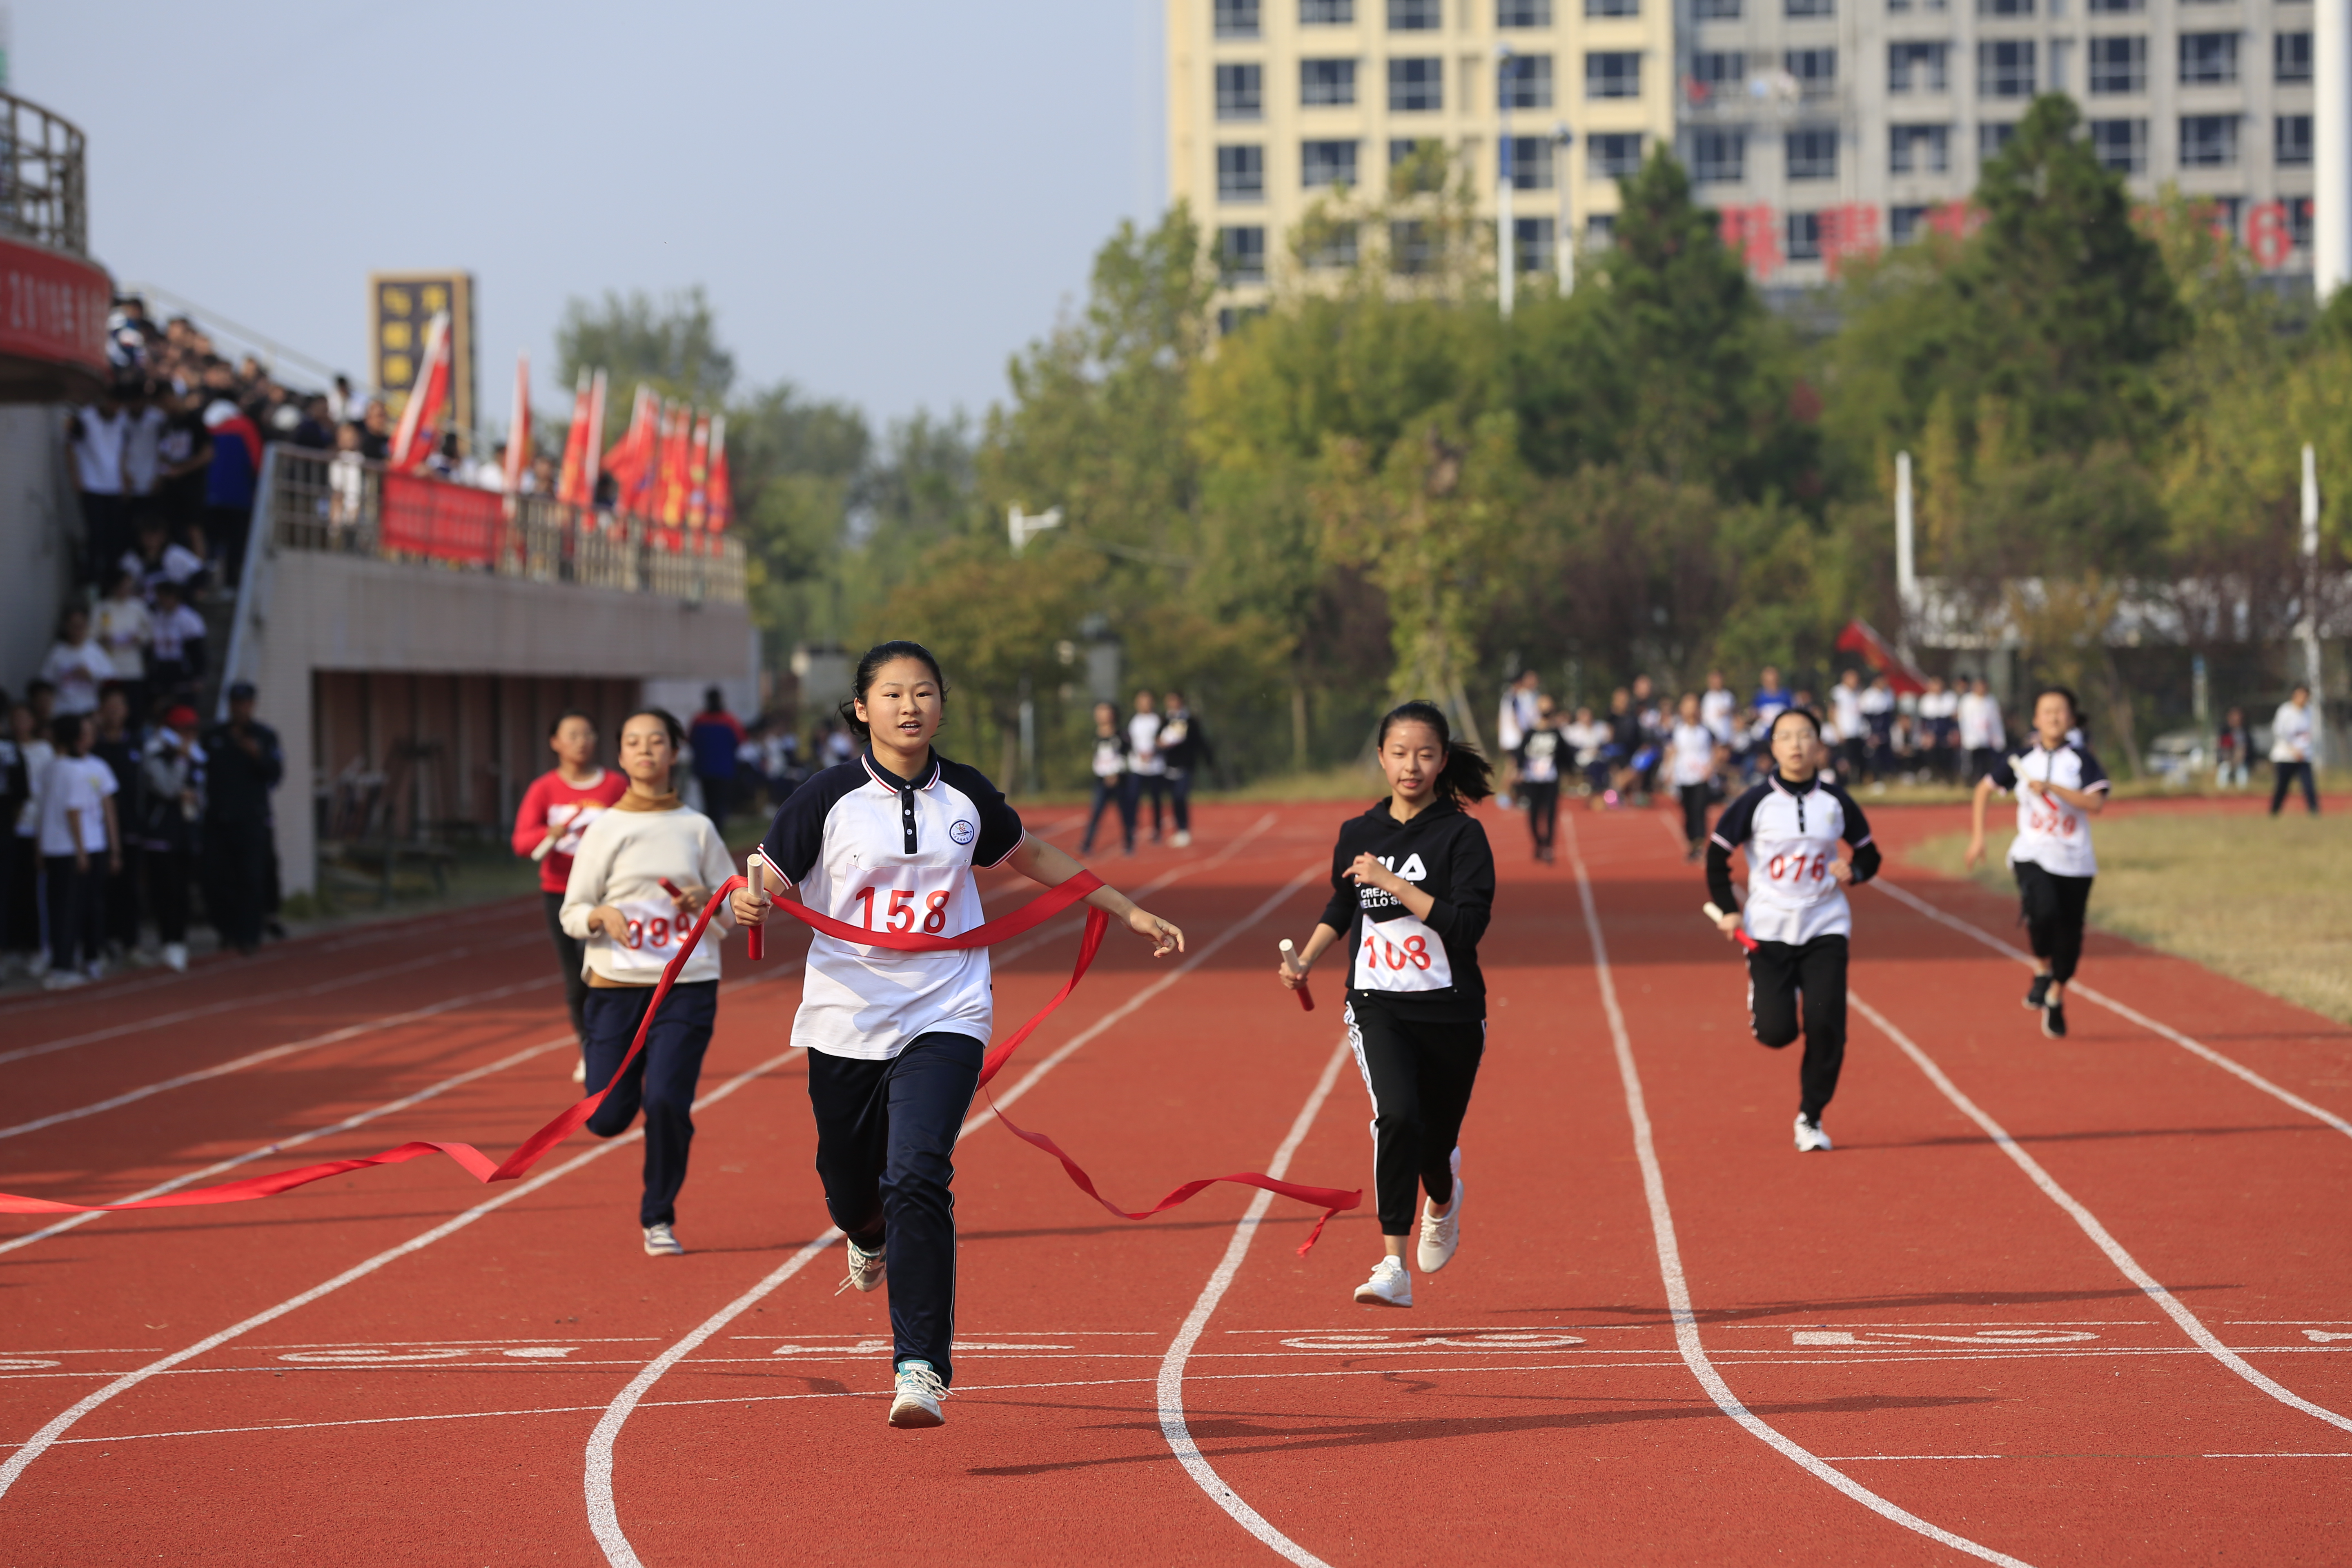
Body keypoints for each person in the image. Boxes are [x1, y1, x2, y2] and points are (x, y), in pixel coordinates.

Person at [731, 640, 1185, 1428]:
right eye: (894, 694)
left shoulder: (966, 796)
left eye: (925, 693)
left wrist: (1124, 906)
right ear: (862, 710)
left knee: (917, 1172)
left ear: (941, 706)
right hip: (847, 1015)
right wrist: (753, 897)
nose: (911, 707)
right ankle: (864, 1234)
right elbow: (770, 872)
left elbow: (1031, 851)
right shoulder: (826, 797)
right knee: (850, 1184)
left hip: (947, 1011)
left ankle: (920, 1367)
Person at [1277, 700, 1494, 1310]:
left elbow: (1467, 928)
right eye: (1400, 753)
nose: (1412, 766)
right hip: (1379, 1005)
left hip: (1452, 1010)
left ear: (1443, 761)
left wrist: (1397, 884)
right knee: (1397, 1117)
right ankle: (1393, 1265)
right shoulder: (1359, 833)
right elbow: (1343, 906)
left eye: (1425, 754)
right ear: (1381, 757)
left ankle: (1444, 1201)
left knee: (1434, 1146)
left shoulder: (1462, 835)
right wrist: (1308, 961)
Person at [560, 708, 738, 1259]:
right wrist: (600, 918)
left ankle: (658, 1216)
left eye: (656, 741)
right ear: (621, 756)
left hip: (686, 985)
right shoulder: (605, 828)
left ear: (673, 753)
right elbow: (573, 911)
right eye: (634, 742)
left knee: (665, 1101)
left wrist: (704, 903)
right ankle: (611, 1071)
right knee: (608, 1118)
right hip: (616, 986)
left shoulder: (697, 828)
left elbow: (731, 914)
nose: (645, 751)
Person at [1706, 707, 1883, 1152]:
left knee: (1827, 1024)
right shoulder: (1754, 802)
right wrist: (1729, 909)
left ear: (1819, 745)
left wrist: (1854, 872)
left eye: (1805, 736)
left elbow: (1869, 854)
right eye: (1787, 737)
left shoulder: (1837, 802)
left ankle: (1811, 1116)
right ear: (1774, 747)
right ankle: (1763, 1000)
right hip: (1768, 929)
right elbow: (1716, 856)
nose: (1797, 745)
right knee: (1777, 1032)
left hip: (1826, 925)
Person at [1966, 687, 2110, 1040]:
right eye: (2047, 711)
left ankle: (2056, 994)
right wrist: (1978, 837)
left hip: (2076, 861)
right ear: (2036, 719)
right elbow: (1983, 790)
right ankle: (2041, 969)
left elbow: (2095, 804)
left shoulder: (2081, 760)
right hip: (2032, 853)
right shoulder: (2020, 759)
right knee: (2041, 911)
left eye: (2061, 711)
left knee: (2070, 940)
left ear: (2072, 719)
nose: (2054, 718)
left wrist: (2053, 789)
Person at [514, 711, 631, 1082]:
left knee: (602, 973)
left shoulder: (614, 786)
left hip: (606, 895)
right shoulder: (544, 789)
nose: (582, 741)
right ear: (556, 743)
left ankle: (610, 1044)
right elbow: (522, 842)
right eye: (573, 734)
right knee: (574, 979)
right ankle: (588, 1046)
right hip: (560, 893)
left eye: (588, 733)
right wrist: (549, 833)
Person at [36, 713, 119, 989]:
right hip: (70, 848)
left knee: (67, 907)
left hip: (61, 846)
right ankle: (62, 965)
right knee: (69, 908)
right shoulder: (71, 770)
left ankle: (68, 960)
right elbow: (73, 811)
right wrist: (82, 852)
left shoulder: (54, 767)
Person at [200, 682, 283, 956]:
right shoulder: (214, 736)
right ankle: (226, 930)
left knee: (251, 878)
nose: (240, 708)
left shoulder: (265, 736)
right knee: (216, 879)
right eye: (236, 703)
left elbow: (276, 773)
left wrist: (256, 755)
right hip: (218, 819)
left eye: (245, 703)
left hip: (252, 820)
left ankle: (249, 935)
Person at [140, 705, 204, 972]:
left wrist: (196, 798)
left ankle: (180, 941)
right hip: (161, 835)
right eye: (183, 729)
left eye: (192, 729)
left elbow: (202, 790)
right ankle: (168, 940)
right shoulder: (155, 753)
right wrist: (180, 760)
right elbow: (167, 788)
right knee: (165, 890)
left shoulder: (197, 757)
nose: (189, 735)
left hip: (186, 834)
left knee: (182, 891)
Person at [90, 686, 143, 960]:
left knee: (129, 888)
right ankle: (103, 942)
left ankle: (130, 943)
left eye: (118, 706)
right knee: (101, 889)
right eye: (108, 707)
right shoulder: (93, 747)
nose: (113, 712)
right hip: (97, 830)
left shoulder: (136, 745)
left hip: (130, 827)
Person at [68, 384, 134, 585]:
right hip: (92, 485)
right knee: (96, 534)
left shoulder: (122, 421)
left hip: (114, 487)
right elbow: (70, 446)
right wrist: (75, 477)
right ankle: (90, 577)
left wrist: (124, 479)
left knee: (114, 535)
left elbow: (121, 452)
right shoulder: (85, 418)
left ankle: (111, 580)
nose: (116, 408)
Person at [1078, 701, 1136, 856]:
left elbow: (1126, 756)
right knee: (1096, 812)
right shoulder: (1096, 735)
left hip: (1120, 780)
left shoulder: (1121, 734)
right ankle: (1087, 844)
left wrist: (1116, 773)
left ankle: (1129, 843)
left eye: (1105, 712)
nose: (1101, 715)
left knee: (1125, 812)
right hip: (1101, 780)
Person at [93, 569, 153, 719]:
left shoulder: (138, 607)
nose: (125, 590)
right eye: (122, 586)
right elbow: (91, 634)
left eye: (129, 586)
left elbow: (150, 632)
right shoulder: (102, 607)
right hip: (109, 666)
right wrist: (103, 638)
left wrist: (139, 638)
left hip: (133, 666)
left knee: (134, 709)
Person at [1512, 695, 1566, 862]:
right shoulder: (1530, 733)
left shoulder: (1556, 733)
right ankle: (1538, 842)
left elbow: (1565, 754)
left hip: (1551, 779)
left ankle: (1549, 845)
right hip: (1532, 779)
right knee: (1534, 813)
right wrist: (1519, 771)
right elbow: (1521, 753)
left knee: (1550, 813)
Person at [1158, 689, 1213, 849]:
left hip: (1186, 766)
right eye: (1170, 701)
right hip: (1168, 766)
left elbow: (1200, 742)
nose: (1173, 704)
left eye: (1176, 700)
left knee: (1180, 796)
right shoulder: (1163, 720)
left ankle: (1184, 830)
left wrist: (1209, 761)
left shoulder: (1190, 721)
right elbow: (1157, 739)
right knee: (1173, 799)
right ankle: (1177, 829)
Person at [1668, 693, 1719, 861]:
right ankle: (1691, 843)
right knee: (1688, 811)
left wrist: (1710, 768)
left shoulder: (1706, 731)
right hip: (1683, 777)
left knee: (1700, 810)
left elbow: (1717, 750)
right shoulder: (1677, 730)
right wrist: (1668, 772)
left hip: (1701, 777)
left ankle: (1699, 845)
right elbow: (1672, 751)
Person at [40, 607, 116, 719]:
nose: (78, 631)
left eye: (81, 626)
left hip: (90, 710)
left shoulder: (95, 650)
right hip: (63, 711)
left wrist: (91, 675)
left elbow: (112, 680)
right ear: (66, 627)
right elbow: (45, 682)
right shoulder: (57, 652)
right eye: (74, 626)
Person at [145, 579, 208, 704]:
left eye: (164, 597)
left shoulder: (190, 619)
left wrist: (198, 676)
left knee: (181, 708)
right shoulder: (156, 616)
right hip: (161, 668)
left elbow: (198, 651)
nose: (161, 601)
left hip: (182, 670)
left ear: (174, 597)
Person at [688, 688, 746, 823]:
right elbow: (740, 740)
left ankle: (711, 828)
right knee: (721, 803)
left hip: (704, 768)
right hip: (724, 769)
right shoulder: (729, 720)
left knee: (709, 802)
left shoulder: (699, 720)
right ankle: (718, 829)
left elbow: (691, 741)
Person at [2268, 684, 2319, 817]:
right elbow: (2279, 733)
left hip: (2304, 757)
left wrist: (2304, 751)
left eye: (2306, 696)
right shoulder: (2285, 711)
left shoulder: (2310, 712)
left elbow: (2311, 734)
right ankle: (2274, 813)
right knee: (2282, 787)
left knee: (2309, 787)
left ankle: (2315, 813)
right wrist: (2293, 750)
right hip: (2286, 756)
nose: (2303, 699)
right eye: (2300, 695)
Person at [1495, 669, 1540, 810]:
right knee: (1513, 767)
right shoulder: (1514, 696)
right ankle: (1504, 795)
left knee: (1517, 767)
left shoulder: (1514, 696)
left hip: (1512, 738)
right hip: (1515, 739)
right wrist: (1524, 735)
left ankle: (1516, 796)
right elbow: (1517, 718)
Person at [1127, 688, 1167, 843]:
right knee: (1133, 798)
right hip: (1138, 767)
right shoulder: (1134, 722)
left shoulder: (1158, 720)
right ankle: (1133, 827)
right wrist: (1140, 755)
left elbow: (1162, 740)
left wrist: (1153, 752)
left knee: (1156, 799)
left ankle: (1157, 830)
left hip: (1155, 767)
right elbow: (1132, 742)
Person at [1958, 676, 2004, 784]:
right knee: (1970, 764)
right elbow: (1964, 721)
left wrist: (1998, 739)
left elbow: (1996, 721)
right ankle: (1969, 784)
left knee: (1985, 765)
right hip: (1971, 739)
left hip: (1987, 739)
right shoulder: (1967, 701)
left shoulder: (1991, 701)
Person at [2215, 706, 2252, 791]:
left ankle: (2243, 791)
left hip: (2241, 760)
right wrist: (2231, 760)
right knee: (2225, 768)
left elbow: (2245, 748)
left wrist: (2239, 759)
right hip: (2228, 759)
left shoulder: (2244, 731)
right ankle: (2221, 791)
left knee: (2242, 770)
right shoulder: (2225, 730)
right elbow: (2225, 748)